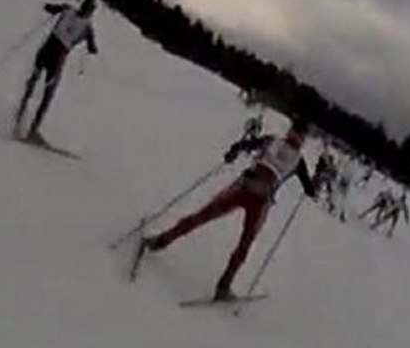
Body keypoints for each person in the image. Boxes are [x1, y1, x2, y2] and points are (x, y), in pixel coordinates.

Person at [136, 116, 318, 301]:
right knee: (244, 243)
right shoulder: (297, 160)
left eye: (297, 132)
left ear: (291, 130)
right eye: (300, 134)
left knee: (203, 216)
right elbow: (310, 190)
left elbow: (245, 145)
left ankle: (161, 240)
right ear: (303, 137)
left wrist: (233, 151)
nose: (297, 137)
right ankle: (223, 286)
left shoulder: (273, 141)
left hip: (244, 187)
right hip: (260, 200)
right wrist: (315, 183)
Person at [14, 0, 98, 142]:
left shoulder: (68, 10)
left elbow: (48, 8)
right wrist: (91, 47)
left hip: (46, 50)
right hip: (58, 58)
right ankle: (32, 130)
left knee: (33, 81)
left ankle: (19, 116)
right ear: (90, 11)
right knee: (48, 94)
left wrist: (55, 9)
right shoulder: (87, 26)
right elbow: (93, 47)